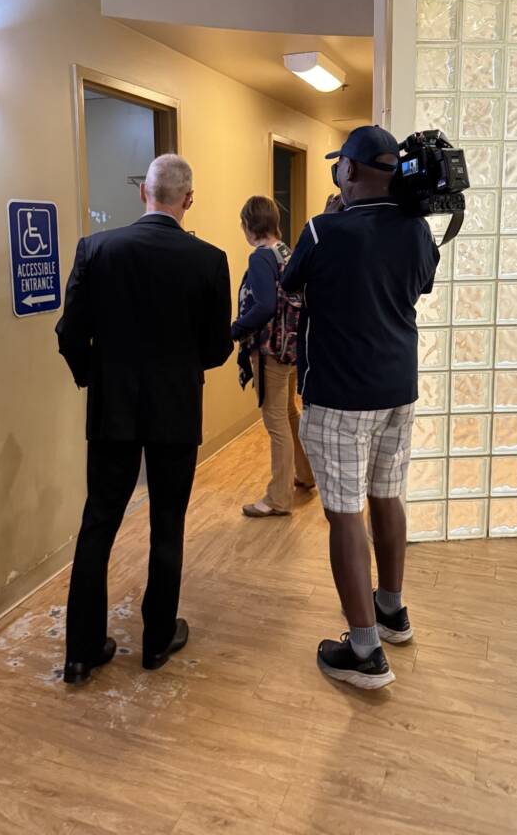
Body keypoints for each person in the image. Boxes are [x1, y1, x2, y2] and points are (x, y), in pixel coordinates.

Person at [56, 154, 232, 684]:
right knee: (168, 523)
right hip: (176, 408)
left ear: (144, 194)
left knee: (98, 522)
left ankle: (81, 652)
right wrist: (180, 370)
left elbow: (69, 332)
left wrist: (96, 377)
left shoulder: (97, 249)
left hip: (112, 409)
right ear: (189, 199)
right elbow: (218, 346)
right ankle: (156, 641)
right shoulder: (210, 259)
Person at [282, 126, 439, 690]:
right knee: (385, 496)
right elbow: (417, 287)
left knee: (344, 514)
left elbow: (289, 283)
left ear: (348, 171)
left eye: (338, 167)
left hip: (342, 396)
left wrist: (328, 226)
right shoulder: (418, 230)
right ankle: (392, 610)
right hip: (398, 389)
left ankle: (365, 651)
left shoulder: (323, 232)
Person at [231, 196, 315, 518]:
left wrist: (236, 329)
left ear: (250, 225)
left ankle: (278, 498)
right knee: (290, 414)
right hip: (291, 348)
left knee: (275, 423)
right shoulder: (287, 251)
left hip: (270, 351)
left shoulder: (261, 258)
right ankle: (305, 476)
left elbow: (264, 305)